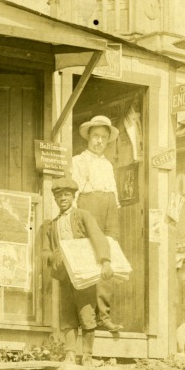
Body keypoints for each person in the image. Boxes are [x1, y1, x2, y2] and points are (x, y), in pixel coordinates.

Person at [43, 177, 113, 366]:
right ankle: (70, 354)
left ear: (73, 197)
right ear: (55, 200)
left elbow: (98, 237)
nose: (62, 199)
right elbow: (45, 251)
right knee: (67, 316)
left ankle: (88, 355)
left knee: (86, 314)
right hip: (65, 276)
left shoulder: (83, 215)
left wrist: (105, 261)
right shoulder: (52, 225)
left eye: (66, 195)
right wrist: (53, 257)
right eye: (58, 196)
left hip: (84, 275)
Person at [70, 115, 123, 333]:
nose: (99, 141)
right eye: (96, 136)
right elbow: (75, 194)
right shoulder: (78, 161)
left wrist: (113, 216)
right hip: (88, 207)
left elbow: (114, 195)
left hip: (108, 208)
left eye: (103, 137)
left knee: (107, 262)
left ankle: (105, 316)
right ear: (88, 138)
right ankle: (88, 318)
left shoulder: (108, 165)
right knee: (89, 261)